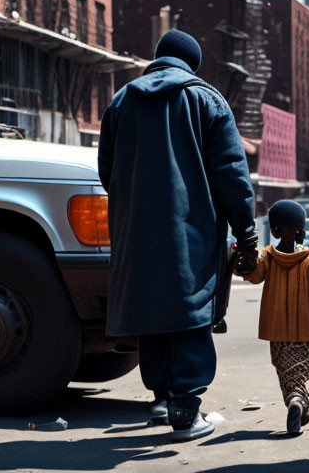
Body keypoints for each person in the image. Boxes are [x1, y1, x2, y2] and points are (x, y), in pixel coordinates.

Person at [98, 30, 258, 442]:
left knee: (150, 312)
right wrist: (247, 233)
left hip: (135, 233)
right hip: (191, 231)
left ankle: (161, 400)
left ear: (158, 58)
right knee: (189, 314)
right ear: (192, 64)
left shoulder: (121, 101)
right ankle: (185, 409)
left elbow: (107, 172)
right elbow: (232, 178)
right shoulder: (206, 100)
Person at [235, 200, 309, 435]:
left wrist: (243, 264)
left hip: (276, 331)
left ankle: (297, 402)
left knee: (285, 372)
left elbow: (255, 275)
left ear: (274, 231)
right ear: (302, 232)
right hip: (303, 331)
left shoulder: (267, 257)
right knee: (299, 371)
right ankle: (298, 401)